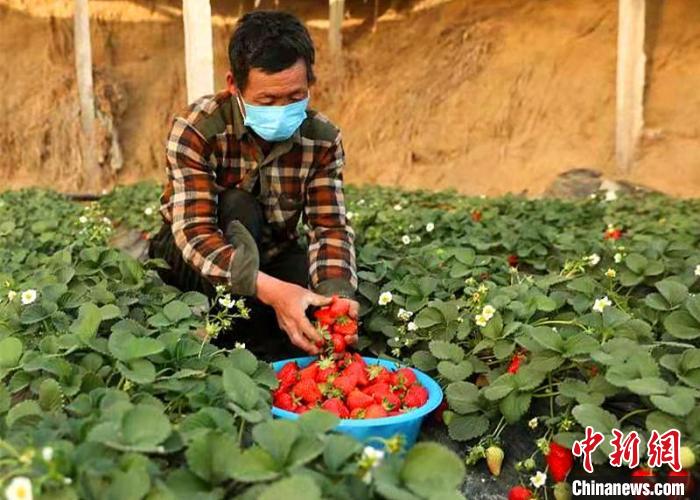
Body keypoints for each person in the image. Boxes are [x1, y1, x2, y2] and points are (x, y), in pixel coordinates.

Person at [149, 11, 359, 358]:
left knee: (317, 300)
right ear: (234, 85)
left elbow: (329, 228)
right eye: (267, 101)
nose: (283, 109)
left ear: (310, 82)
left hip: (270, 253)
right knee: (238, 206)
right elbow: (196, 233)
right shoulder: (197, 128)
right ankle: (223, 340)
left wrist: (336, 298)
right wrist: (272, 291)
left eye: (295, 97)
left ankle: (268, 334)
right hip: (193, 260)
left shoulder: (322, 139)